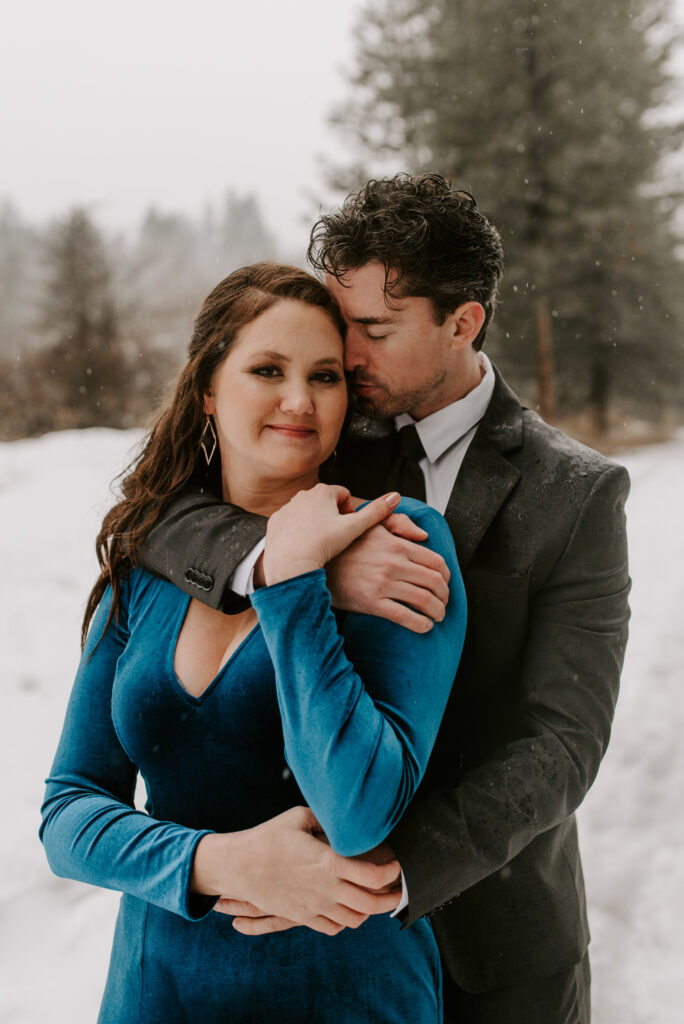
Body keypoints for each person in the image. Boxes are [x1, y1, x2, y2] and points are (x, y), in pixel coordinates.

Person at [137, 174, 631, 1024]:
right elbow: (165, 522)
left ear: (463, 321)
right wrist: (291, 565)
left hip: (497, 941)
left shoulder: (574, 492)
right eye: (343, 322)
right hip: (313, 947)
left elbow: (563, 740)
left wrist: (395, 868)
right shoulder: (325, 429)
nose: (347, 353)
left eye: (374, 329)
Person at [39, 262, 467, 1023]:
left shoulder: (398, 544)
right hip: (157, 990)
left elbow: (358, 812)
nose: (299, 401)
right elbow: (69, 814)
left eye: (326, 377)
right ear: (208, 387)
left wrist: (295, 582)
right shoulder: (147, 564)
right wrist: (215, 862)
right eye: (267, 369)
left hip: (346, 992)